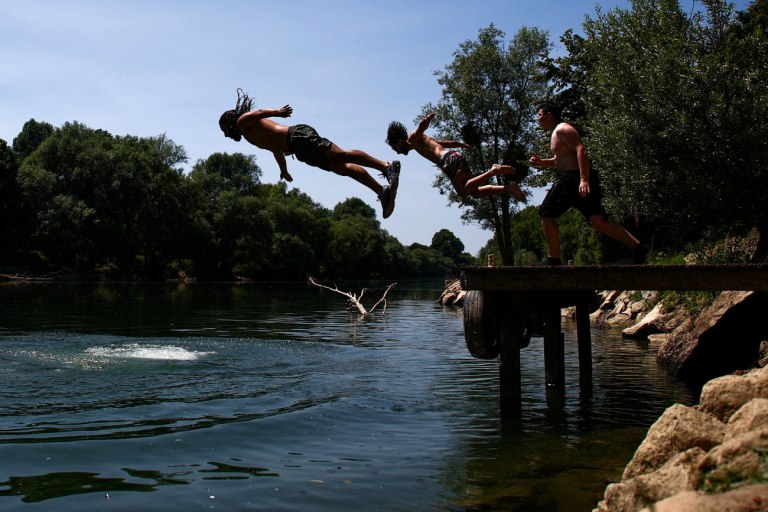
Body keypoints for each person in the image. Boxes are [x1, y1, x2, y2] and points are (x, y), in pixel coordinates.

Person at [219, 89, 401, 219]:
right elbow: (275, 149)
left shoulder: (242, 122)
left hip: (298, 137)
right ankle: (382, 191)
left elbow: (259, 112)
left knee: (342, 156)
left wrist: (278, 112)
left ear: (230, 122)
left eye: (224, 129)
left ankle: (386, 167)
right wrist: (283, 170)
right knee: (340, 168)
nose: (226, 134)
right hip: (298, 150)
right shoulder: (251, 136)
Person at [530, 103, 648, 265]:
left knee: (545, 213)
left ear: (549, 115)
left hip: (573, 178)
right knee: (597, 221)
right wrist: (542, 162)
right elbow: (561, 160)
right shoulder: (555, 134)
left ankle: (554, 260)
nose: (538, 119)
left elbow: (581, 149)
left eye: (540, 114)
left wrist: (583, 179)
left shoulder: (562, 128)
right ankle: (638, 248)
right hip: (577, 178)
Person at [385, 113, 525, 201]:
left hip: (447, 161)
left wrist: (425, 122)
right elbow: (445, 143)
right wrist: (461, 144)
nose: (396, 152)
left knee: (463, 192)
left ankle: (493, 171)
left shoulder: (413, 139)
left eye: (394, 148)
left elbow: (420, 129)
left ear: (398, 141)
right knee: (474, 193)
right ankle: (508, 188)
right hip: (453, 157)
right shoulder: (420, 143)